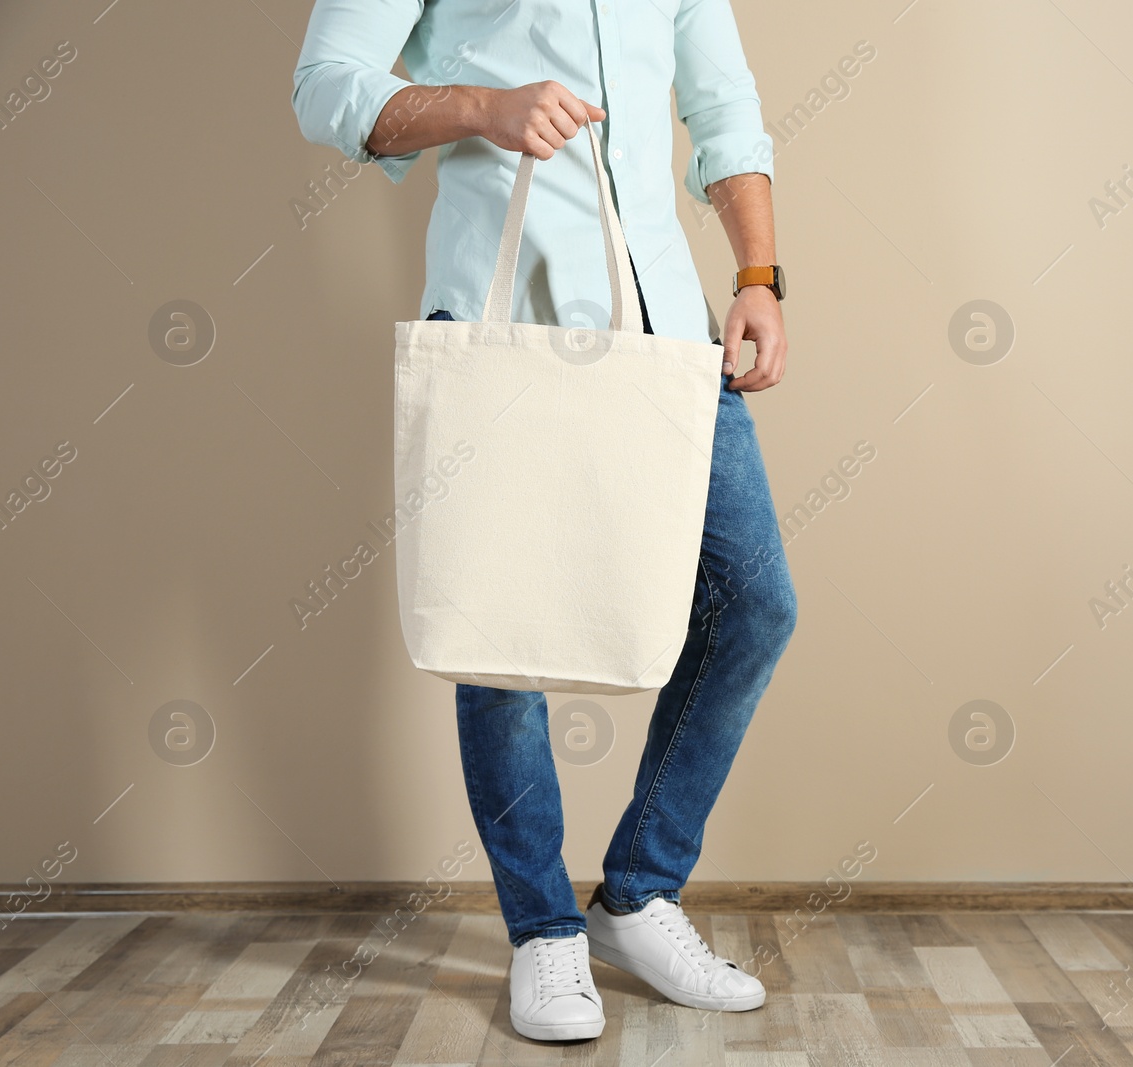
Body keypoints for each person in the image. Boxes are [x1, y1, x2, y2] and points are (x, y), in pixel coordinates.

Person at [292, 0, 797, 1043]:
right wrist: (483, 105)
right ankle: (543, 930)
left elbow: (721, 106)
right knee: (500, 631)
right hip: (501, 315)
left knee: (753, 602)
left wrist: (755, 273)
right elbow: (324, 84)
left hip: (661, 323)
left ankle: (639, 896)